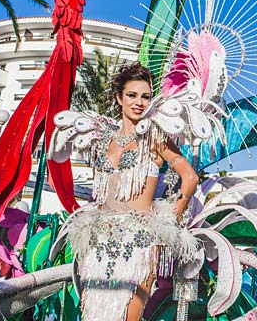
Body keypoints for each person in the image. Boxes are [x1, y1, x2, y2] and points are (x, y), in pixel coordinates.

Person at [57, 64, 201, 321]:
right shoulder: (103, 141)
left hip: (139, 243)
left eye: (145, 96)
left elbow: (189, 177)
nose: (139, 102)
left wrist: (172, 216)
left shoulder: (155, 138)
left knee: (127, 316)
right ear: (119, 98)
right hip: (99, 242)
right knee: (93, 312)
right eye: (132, 95)